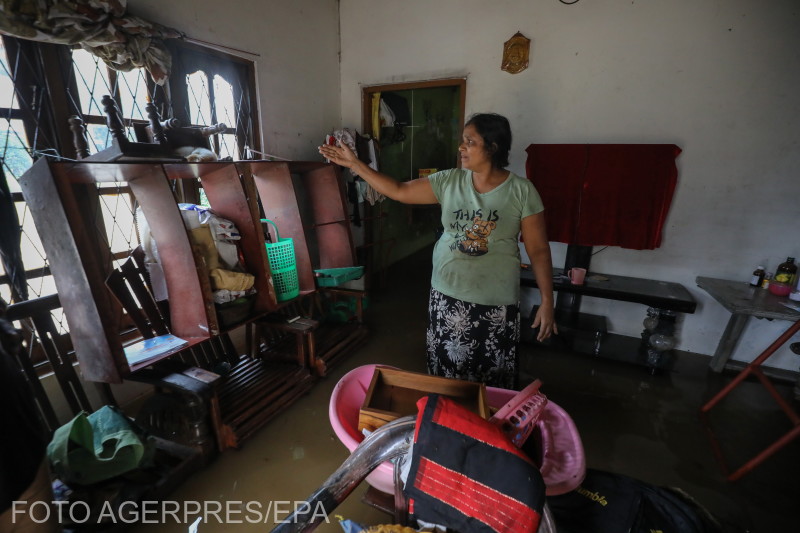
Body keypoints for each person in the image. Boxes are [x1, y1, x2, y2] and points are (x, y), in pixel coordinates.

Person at [319, 113, 556, 388]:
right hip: (446, 296)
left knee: (492, 382)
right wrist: (355, 165)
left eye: (470, 141)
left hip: (495, 302)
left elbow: (539, 250)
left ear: (492, 147)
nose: (461, 147)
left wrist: (547, 301)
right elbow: (398, 191)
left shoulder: (521, 191)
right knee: (446, 377)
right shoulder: (449, 181)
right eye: (462, 141)